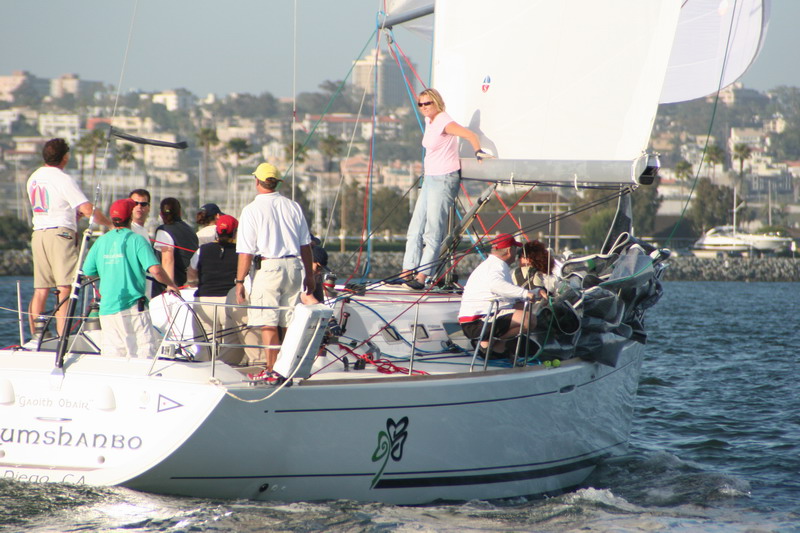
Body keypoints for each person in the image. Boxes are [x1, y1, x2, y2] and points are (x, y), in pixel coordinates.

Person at [400, 88, 492, 290]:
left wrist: (478, 151)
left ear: (437, 102)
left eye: (428, 103)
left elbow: (469, 134)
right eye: (421, 104)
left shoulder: (444, 121)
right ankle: (406, 273)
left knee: (432, 230)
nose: (424, 107)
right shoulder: (430, 121)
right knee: (415, 228)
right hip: (430, 178)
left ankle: (422, 277)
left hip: (444, 179)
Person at [235, 162, 315, 377]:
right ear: (277, 183)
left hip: (269, 268)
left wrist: (240, 281)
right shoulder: (293, 206)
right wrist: (309, 275)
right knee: (289, 324)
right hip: (294, 267)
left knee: (268, 323)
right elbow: (305, 245)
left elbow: (246, 252)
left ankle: (272, 370)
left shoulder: (251, 210)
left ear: (257, 182)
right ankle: (288, 368)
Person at [26, 137, 112, 336]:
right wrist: (109, 224)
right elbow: (88, 209)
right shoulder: (63, 179)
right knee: (65, 287)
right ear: (65, 157)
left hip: (38, 234)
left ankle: (36, 336)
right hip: (60, 236)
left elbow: (51, 206)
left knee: (41, 289)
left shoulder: (34, 177)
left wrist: (72, 214)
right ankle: (62, 336)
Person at [83, 198, 180, 358]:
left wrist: (110, 270)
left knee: (113, 355)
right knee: (144, 352)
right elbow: (156, 270)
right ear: (130, 217)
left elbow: (88, 272)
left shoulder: (100, 241)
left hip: (107, 310)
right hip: (133, 308)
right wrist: (170, 284)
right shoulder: (137, 239)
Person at [458, 234, 541, 357]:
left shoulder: (493, 264)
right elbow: (496, 285)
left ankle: (494, 347)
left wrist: (536, 292)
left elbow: (509, 293)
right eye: (515, 249)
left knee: (522, 306)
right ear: (509, 250)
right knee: (529, 320)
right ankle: (489, 345)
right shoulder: (496, 266)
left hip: (477, 320)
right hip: (477, 322)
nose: (516, 253)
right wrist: (525, 293)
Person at [186, 214, 242, 364]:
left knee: (204, 348)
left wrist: (195, 282)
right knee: (228, 348)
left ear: (217, 231)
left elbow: (191, 273)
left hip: (204, 301)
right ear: (235, 232)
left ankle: (203, 372)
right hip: (228, 303)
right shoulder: (240, 252)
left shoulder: (202, 250)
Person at [152, 197, 199, 296]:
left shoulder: (164, 231)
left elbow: (167, 259)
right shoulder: (190, 230)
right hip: (189, 287)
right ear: (180, 213)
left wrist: (170, 284)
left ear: (161, 214)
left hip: (172, 289)